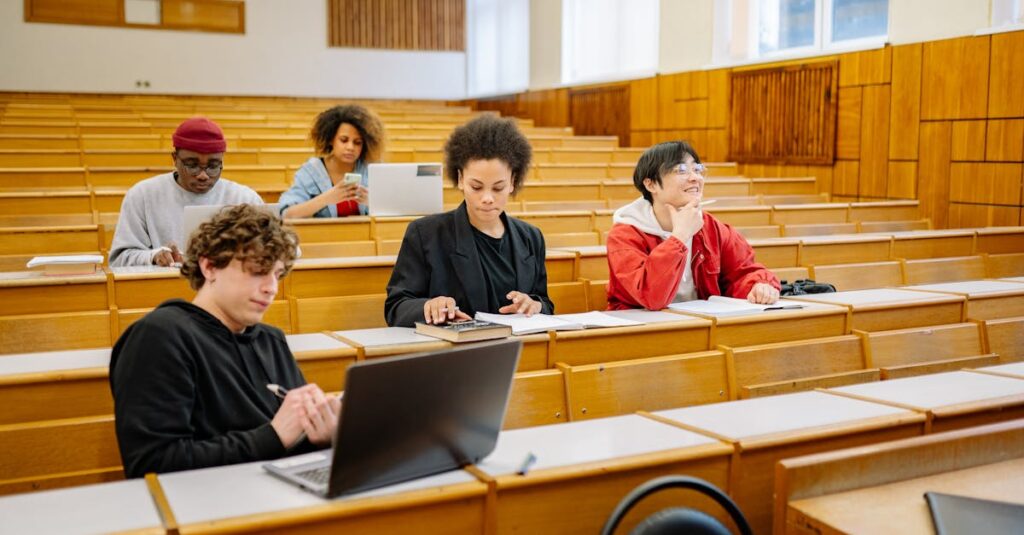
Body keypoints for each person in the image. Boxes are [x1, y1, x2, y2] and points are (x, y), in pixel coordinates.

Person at [109, 204, 340, 478]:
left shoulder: (271, 340)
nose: (272, 288)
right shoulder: (159, 337)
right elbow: (152, 463)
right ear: (209, 266)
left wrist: (323, 434)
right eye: (257, 271)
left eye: (277, 274)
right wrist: (273, 436)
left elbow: (291, 440)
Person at [385, 115, 553, 327]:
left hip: (520, 352)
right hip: (455, 354)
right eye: (476, 187)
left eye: (498, 187)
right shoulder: (425, 234)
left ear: (512, 182)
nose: (487, 198)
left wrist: (535, 305)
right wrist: (428, 306)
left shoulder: (531, 237)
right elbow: (396, 307)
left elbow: (544, 302)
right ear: (460, 179)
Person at [606, 141, 780, 310]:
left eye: (697, 169)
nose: (695, 178)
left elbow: (742, 272)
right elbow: (651, 296)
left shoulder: (711, 227)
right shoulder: (624, 235)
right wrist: (679, 237)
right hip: (642, 329)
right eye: (681, 170)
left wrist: (758, 285)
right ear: (650, 184)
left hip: (699, 326)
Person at [108, 117, 263, 267]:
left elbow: (271, 250)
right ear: (175, 159)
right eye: (192, 165)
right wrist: (153, 256)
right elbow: (119, 258)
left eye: (213, 166)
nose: (203, 175)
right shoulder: (142, 195)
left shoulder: (245, 198)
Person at [278, 104, 385, 218]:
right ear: (330, 140)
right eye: (344, 140)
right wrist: (326, 199)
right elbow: (287, 214)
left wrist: (372, 203)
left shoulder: (371, 169)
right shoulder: (310, 172)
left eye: (357, 142)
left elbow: (394, 209)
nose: (350, 147)